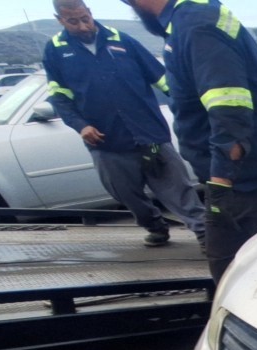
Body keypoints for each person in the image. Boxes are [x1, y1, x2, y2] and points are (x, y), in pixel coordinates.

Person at [123, 0, 257, 282]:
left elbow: (229, 108)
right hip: (246, 184)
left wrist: (220, 183)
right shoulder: (191, 20)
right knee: (235, 280)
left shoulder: (196, 24)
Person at [43, 0, 206, 248]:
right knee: (127, 195)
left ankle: (205, 235)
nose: (83, 25)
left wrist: (191, 104)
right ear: (60, 20)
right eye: (73, 21)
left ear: (90, 12)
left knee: (178, 189)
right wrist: (81, 125)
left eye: (85, 18)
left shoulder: (122, 40)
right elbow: (60, 98)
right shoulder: (56, 51)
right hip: (108, 143)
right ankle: (155, 226)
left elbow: (162, 79)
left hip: (149, 137)